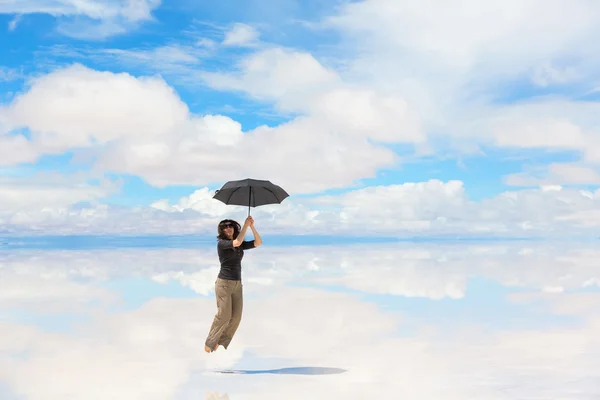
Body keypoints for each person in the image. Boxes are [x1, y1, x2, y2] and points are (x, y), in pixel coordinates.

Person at [204, 215, 262, 353]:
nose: (228, 228)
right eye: (225, 227)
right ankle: (210, 342)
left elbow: (258, 242)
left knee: (236, 317)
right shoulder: (222, 243)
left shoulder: (240, 243)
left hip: (237, 284)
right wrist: (245, 225)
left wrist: (252, 226)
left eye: (230, 226)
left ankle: (221, 341)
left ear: (234, 228)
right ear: (222, 231)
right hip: (224, 283)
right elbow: (236, 242)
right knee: (224, 315)